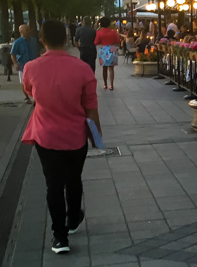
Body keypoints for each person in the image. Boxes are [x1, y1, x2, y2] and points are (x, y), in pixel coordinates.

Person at [21, 19, 101, 254]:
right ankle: (73, 219)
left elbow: (29, 91)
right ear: (67, 39)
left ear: (42, 40)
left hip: (45, 135)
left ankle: (59, 238)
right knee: (73, 179)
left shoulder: (31, 68)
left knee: (52, 185)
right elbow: (91, 107)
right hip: (76, 135)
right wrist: (97, 137)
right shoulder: (82, 69)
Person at [10, 24, 40, 103]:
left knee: (35, 81)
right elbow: (12, 54)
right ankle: (26, 97)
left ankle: (35, 97)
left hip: (34, 64)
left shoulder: (33, 40)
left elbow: (37, 51)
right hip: (23, 64)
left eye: (28, 29)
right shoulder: (17, 42)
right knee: (24, 82)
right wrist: (15, 64)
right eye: (26, 30)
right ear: (21, 32)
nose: (28, 31)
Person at [94, 17, 120, 91]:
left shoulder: (99, 32)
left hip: (103, 50)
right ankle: (111, 85)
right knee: (111, 68)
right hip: (112, 49)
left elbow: (96, 42)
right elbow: (118, 40)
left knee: (104, 68)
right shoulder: (113, 32)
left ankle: (105, 84)